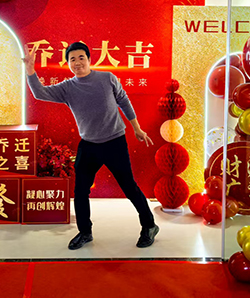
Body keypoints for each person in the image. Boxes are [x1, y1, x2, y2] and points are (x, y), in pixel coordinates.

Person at [23, 42, 159, 250]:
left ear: (89, 59)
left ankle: (149, 226)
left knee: (129, 187)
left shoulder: (107, 78)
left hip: (115, 142)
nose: (77, 62)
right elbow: (39, 93)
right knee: (80, 191)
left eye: (81, 58)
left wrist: (136, 128)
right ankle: (85, 232)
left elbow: (123, 100)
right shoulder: (67, 88)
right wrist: (30, 69)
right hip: (88, 145)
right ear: (68, 64)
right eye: (72, 59)